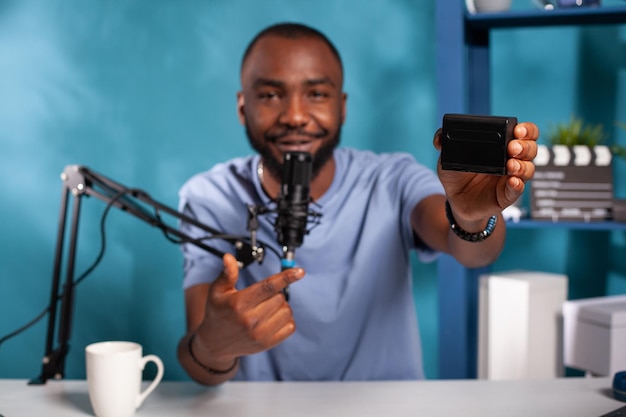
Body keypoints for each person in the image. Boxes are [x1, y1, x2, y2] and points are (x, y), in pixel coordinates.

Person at [176, 22, 539, 385]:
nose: (296, 116)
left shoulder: (391, 179)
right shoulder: (211, 197)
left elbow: (474, 253)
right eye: (271, 95)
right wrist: (213, 347)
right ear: (243, 107)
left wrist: (470, 216)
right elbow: (201, 361)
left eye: (316, 94)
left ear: (342, 107)